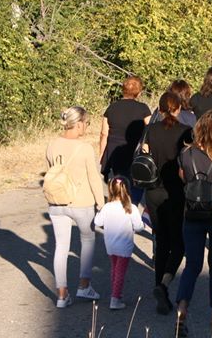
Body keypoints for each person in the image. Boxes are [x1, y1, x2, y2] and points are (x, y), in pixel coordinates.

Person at [176, 110, 212, 335]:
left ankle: (182, 310)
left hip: (192, 210)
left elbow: (183, 176)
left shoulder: (186, 152)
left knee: (192, 264)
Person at [45, 106, 105, 308]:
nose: (86, 127)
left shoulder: (52, 145)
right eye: (86, 123)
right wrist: (101, 202)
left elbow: (50, 171)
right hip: (82, 202)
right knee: (87, 241)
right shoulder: (85, 148)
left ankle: (62, 295)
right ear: (78, 123)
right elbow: (94, 178)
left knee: (61, 247)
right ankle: (84, 285)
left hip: (57, 201)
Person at [142, 91, 193, 315]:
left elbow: (144, 153)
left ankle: (158, 288)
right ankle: (164, 285)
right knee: (179, 244)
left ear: (160, 110)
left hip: (153, 190)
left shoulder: (150, 130)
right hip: (176, 192)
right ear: (179, 108)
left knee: (161, 240)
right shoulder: (185, 132)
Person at [94, 177, 145, 310]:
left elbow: (97, 222)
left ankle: (116, 293)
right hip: (125, 246)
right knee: (120, 272)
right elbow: (139, 226)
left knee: (114, 269)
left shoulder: (107, 207)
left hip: (110, 245)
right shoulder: (131, 208)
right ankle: (115, 298)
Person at [100, 76, 151, 197]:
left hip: (114, 152)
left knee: (116, 185)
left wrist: (102, 154)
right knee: (134, 187)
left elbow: (104, 133)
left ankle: (117, 204)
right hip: (134, 152)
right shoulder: (143, 109)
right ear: (139, 93)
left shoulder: (111, 108)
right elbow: (150, 130)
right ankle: (130, 207)